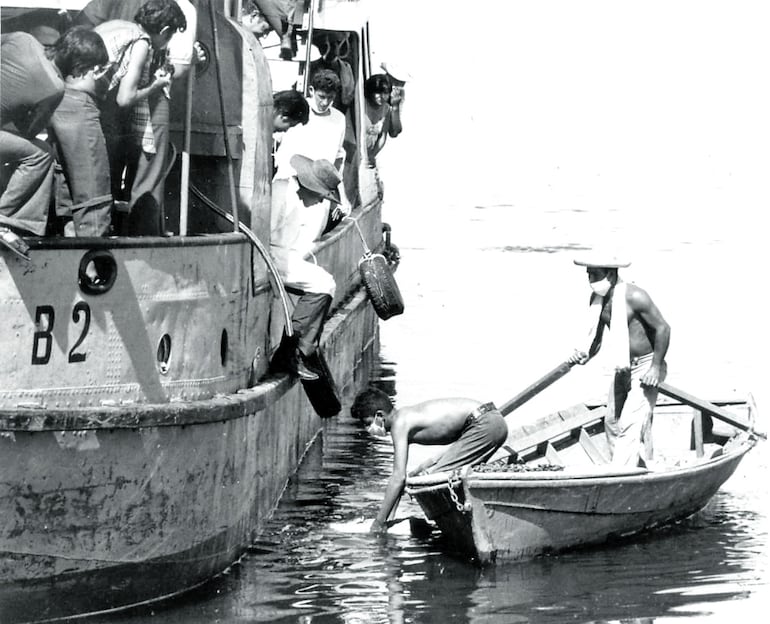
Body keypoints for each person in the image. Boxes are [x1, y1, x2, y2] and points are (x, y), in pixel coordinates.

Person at [88, 0, 187, 235]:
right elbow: (125, 97)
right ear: (164, 31)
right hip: (96, 108)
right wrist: (156, 85)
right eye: (170, 36)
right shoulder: (141, 42)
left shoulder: (117, 26)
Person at [351, 387, 508, 534]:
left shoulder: (399, 423)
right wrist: (388, 519)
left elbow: (398, 478)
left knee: (434, 482)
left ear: (380, 416)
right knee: (434, 477)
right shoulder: (403, 416)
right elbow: (400, 480)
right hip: (491, 420)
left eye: (367, 423)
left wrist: (378, 523)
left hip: (485, 425)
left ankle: (448, 528)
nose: (368, 429)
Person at [567, 254, 671, 467]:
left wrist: (655, 368)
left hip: (646, 365)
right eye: (589, 276)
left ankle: (620, 474)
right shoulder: (597, 300)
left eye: (596, 275)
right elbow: (596, 339)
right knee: (612, 422)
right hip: (622, 365)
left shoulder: (635, 296)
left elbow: (663, 328)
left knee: (630, 423)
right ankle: (631, 468)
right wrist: (585, 354)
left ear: (611, 274)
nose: (591, 281)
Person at [269, 154, 341, 381]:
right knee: (322, 284)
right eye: (321, 196)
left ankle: (298, 347)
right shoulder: (282, 194)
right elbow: (265, 232)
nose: (321, 201)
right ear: (312, 187)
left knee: (325, 282)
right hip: (268, 254)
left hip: (281, 254)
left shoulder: (294, 195)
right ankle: (293, 351)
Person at [0, 31, 65, 260]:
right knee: (41, 153)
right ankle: (5, 219)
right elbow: (29, 131)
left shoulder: (21, 39)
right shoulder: (55, 87)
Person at [48, 26, 113, 237]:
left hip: (59, 101)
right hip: (80, 105)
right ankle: (93, 262)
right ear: (90, 69)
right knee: (93, 187)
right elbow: (94, 190)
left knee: (65, 185)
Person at [273, 69, 350, 230]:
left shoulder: (339, 120)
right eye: (321, 96)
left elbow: (337, 161)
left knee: (309, 245)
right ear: (311, 90)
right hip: (287, 188)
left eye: (330, 98)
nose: (325, 102)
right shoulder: (297, 109)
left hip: (318, 196)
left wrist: (342, 196)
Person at [363, 73, 402, 167]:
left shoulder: (386, 109)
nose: (381, 97)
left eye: (385, 93)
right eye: (378, 93)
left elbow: (383, 136)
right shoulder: (362, 104)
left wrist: (372, 156)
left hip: (367, 154)